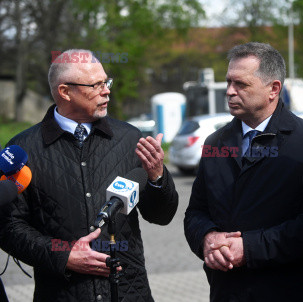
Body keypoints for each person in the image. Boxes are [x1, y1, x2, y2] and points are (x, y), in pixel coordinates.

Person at [0, 49, 179, 302]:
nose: (106, 90)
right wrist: (63, 256)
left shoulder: (130, 138)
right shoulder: (23, 149)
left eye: (106, 82)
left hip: (128, 293)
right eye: (96, 85)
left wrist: (158, 177)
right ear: (65, 92)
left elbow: (162, 216)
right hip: (63, 294)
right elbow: (8, 228)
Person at [184, 42, 303, 301]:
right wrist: (207, 238)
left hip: (289, 291)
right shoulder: (214, 143)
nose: (230, 92)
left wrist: (251, 248)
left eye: (240, 84)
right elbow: (196, 212)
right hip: (227, 291)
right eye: (228, 82)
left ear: (273, 89)